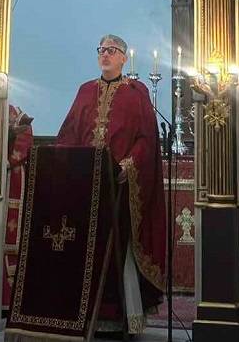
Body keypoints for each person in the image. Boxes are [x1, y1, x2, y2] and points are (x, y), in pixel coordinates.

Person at [56, 34, 165, 335]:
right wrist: (67, 161)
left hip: (120, 187)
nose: (105, 54)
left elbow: (146, 139)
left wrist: (128, 165)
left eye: (112, 50)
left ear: (123, 58)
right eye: (101, 50)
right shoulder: (85, 91)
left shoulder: (136, 93)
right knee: (85, 250)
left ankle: (121, 318)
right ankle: (83, 315)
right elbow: (68, 132)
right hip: (86, 187)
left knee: (117, 250)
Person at [2, 105, 34, 310]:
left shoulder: (17, 114)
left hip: (11, 178)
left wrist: (5, 161)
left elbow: (24, 141)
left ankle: (9, 298)